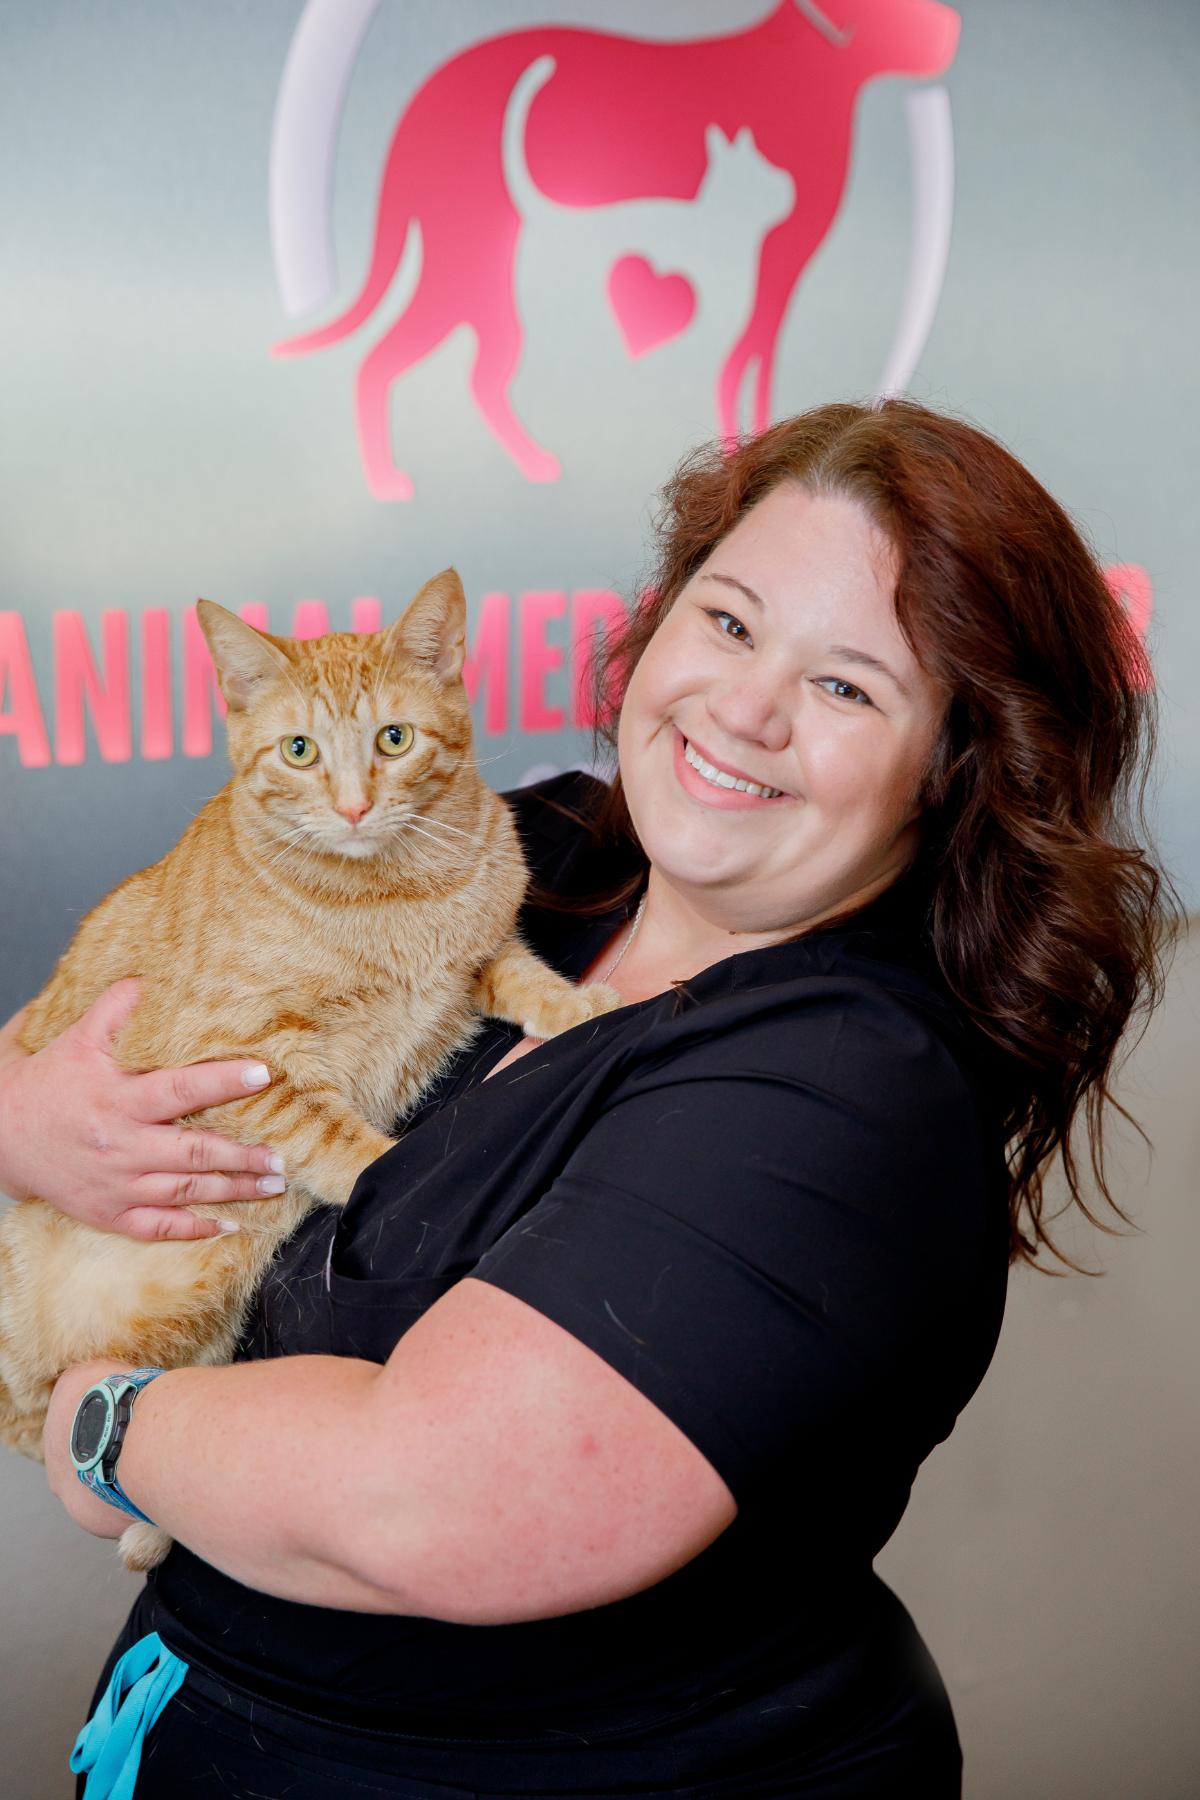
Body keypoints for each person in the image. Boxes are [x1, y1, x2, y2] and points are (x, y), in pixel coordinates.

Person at [0, 400, 1165, 1799]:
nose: (743, 707)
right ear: (661, 621)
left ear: (954, 769)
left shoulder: (846, 1091)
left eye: (849, 686)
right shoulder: (538, 850)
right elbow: (89, 1016)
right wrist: (25, 1119)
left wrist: (101, 1425)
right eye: (730, 623)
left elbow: (427, 1507)